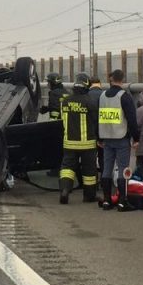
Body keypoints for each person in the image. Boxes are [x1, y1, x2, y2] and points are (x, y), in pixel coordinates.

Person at [97, 69, 140, 211]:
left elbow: (99, 118)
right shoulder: (124, 96)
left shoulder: (102, 96)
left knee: (107, 169)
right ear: (122, 79)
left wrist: (99, 137)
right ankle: (122, 201)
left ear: (110, 79)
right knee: (123, 169)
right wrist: (136, 138)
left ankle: (107, 200)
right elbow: (132, 119)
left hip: (106, 138)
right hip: (121, 137)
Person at [57, 73, 98, 204]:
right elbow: (96, 122)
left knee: (67, 168)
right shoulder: (90, 102)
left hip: (69, 142)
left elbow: (62, 120)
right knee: (89, 171)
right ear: (86, 86)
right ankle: (89, 196)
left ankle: (64, 190)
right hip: (87, 143)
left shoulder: (65, 101)